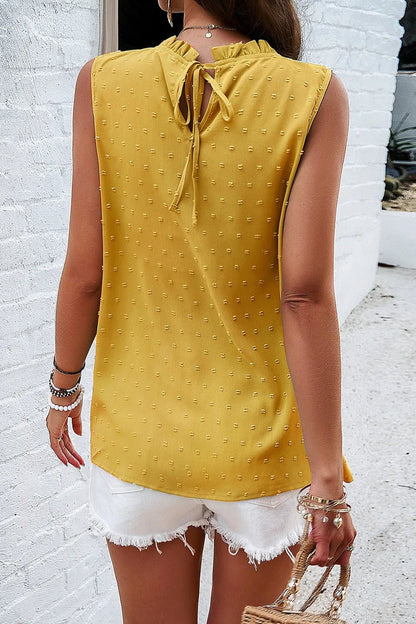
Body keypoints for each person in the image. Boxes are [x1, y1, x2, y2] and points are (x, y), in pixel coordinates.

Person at [45, 1, 357, 622]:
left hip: (141, 437)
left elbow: (85, 273)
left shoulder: (102, 83)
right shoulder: (313, 94)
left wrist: (63, 388)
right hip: (263, 442)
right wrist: (327, 484)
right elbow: (304, 296)